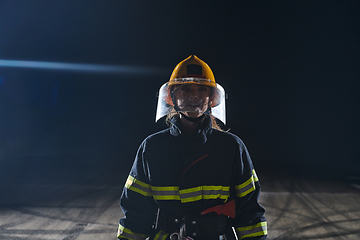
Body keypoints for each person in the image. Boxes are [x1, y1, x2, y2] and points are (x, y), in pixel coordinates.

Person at [117, 55, 267, 240]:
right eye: (185, 88)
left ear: (211, 98)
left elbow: (249, 212)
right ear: (171, 96)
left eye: (202, 89)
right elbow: (136, 212)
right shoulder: (152, 147)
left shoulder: (231, 147)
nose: (193, 96)